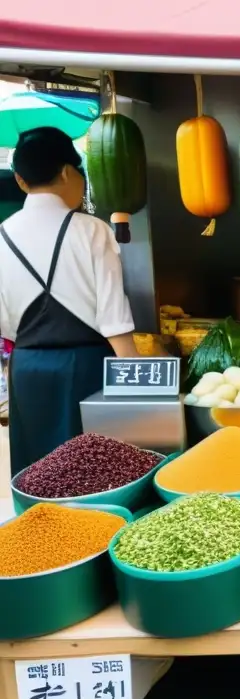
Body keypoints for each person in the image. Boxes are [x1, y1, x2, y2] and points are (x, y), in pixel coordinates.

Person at [0, 127, 137, 473]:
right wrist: (140, 389)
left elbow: (5, 325)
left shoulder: (1, 236)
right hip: (87, 370)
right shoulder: (91, 230)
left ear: (19, 179)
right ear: (67, 172)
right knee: (93, 474)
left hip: (27, 371)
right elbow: (115, 320)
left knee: (40, 476)